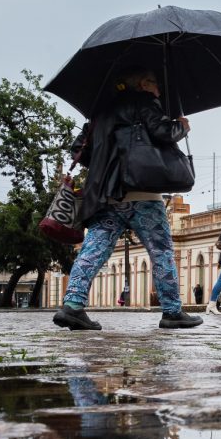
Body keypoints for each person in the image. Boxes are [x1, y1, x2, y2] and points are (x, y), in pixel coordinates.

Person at [53, 67, 202, 330]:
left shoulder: (100, 112)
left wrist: (107, 155)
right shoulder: (145, 102)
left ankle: (73, 306)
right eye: (155, 83)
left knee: (93, 251)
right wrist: (181, 126)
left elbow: (79, 150)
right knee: (161, 251)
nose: (159, 90)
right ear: (144, 83)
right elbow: (162, 133)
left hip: (106, 196)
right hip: (143, 193)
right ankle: (172, 311)